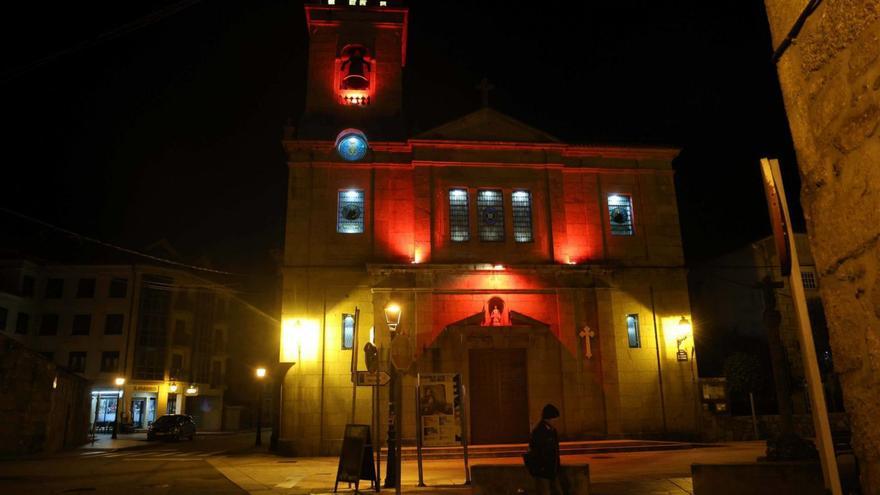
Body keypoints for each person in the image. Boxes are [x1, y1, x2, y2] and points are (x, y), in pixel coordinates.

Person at [525, 404, 566, 495]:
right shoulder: (539, 431)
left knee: (558, 491)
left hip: (552, 469)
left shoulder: (552, 431)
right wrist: (541, 467)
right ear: (548, 418)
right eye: (555, 418)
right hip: (543, 471)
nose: (556, 421)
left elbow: (555, 450)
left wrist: (557, 465)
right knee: (545, 492)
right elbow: (535, 450)